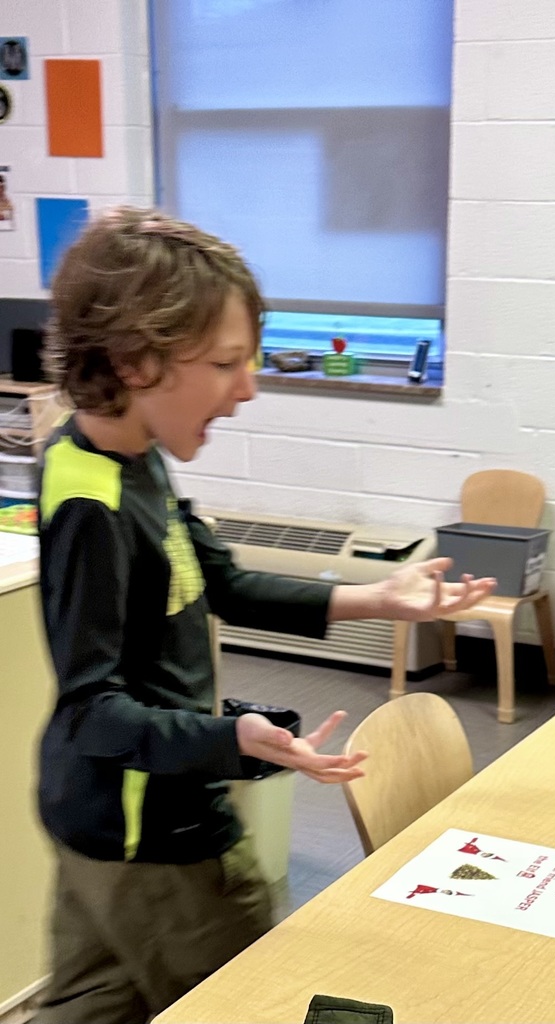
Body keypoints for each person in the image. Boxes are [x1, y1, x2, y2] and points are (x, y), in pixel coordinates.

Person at [32, 206, 496, 1024]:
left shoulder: (133, 458)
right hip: (152, 835)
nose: (247, 390)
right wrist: (228, 739)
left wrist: (380, 598)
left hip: (109, 821)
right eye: (224, 364)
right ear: (138, 359)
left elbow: (225, 583)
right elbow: (90, 711)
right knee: (255, 999)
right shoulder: (91, 503)